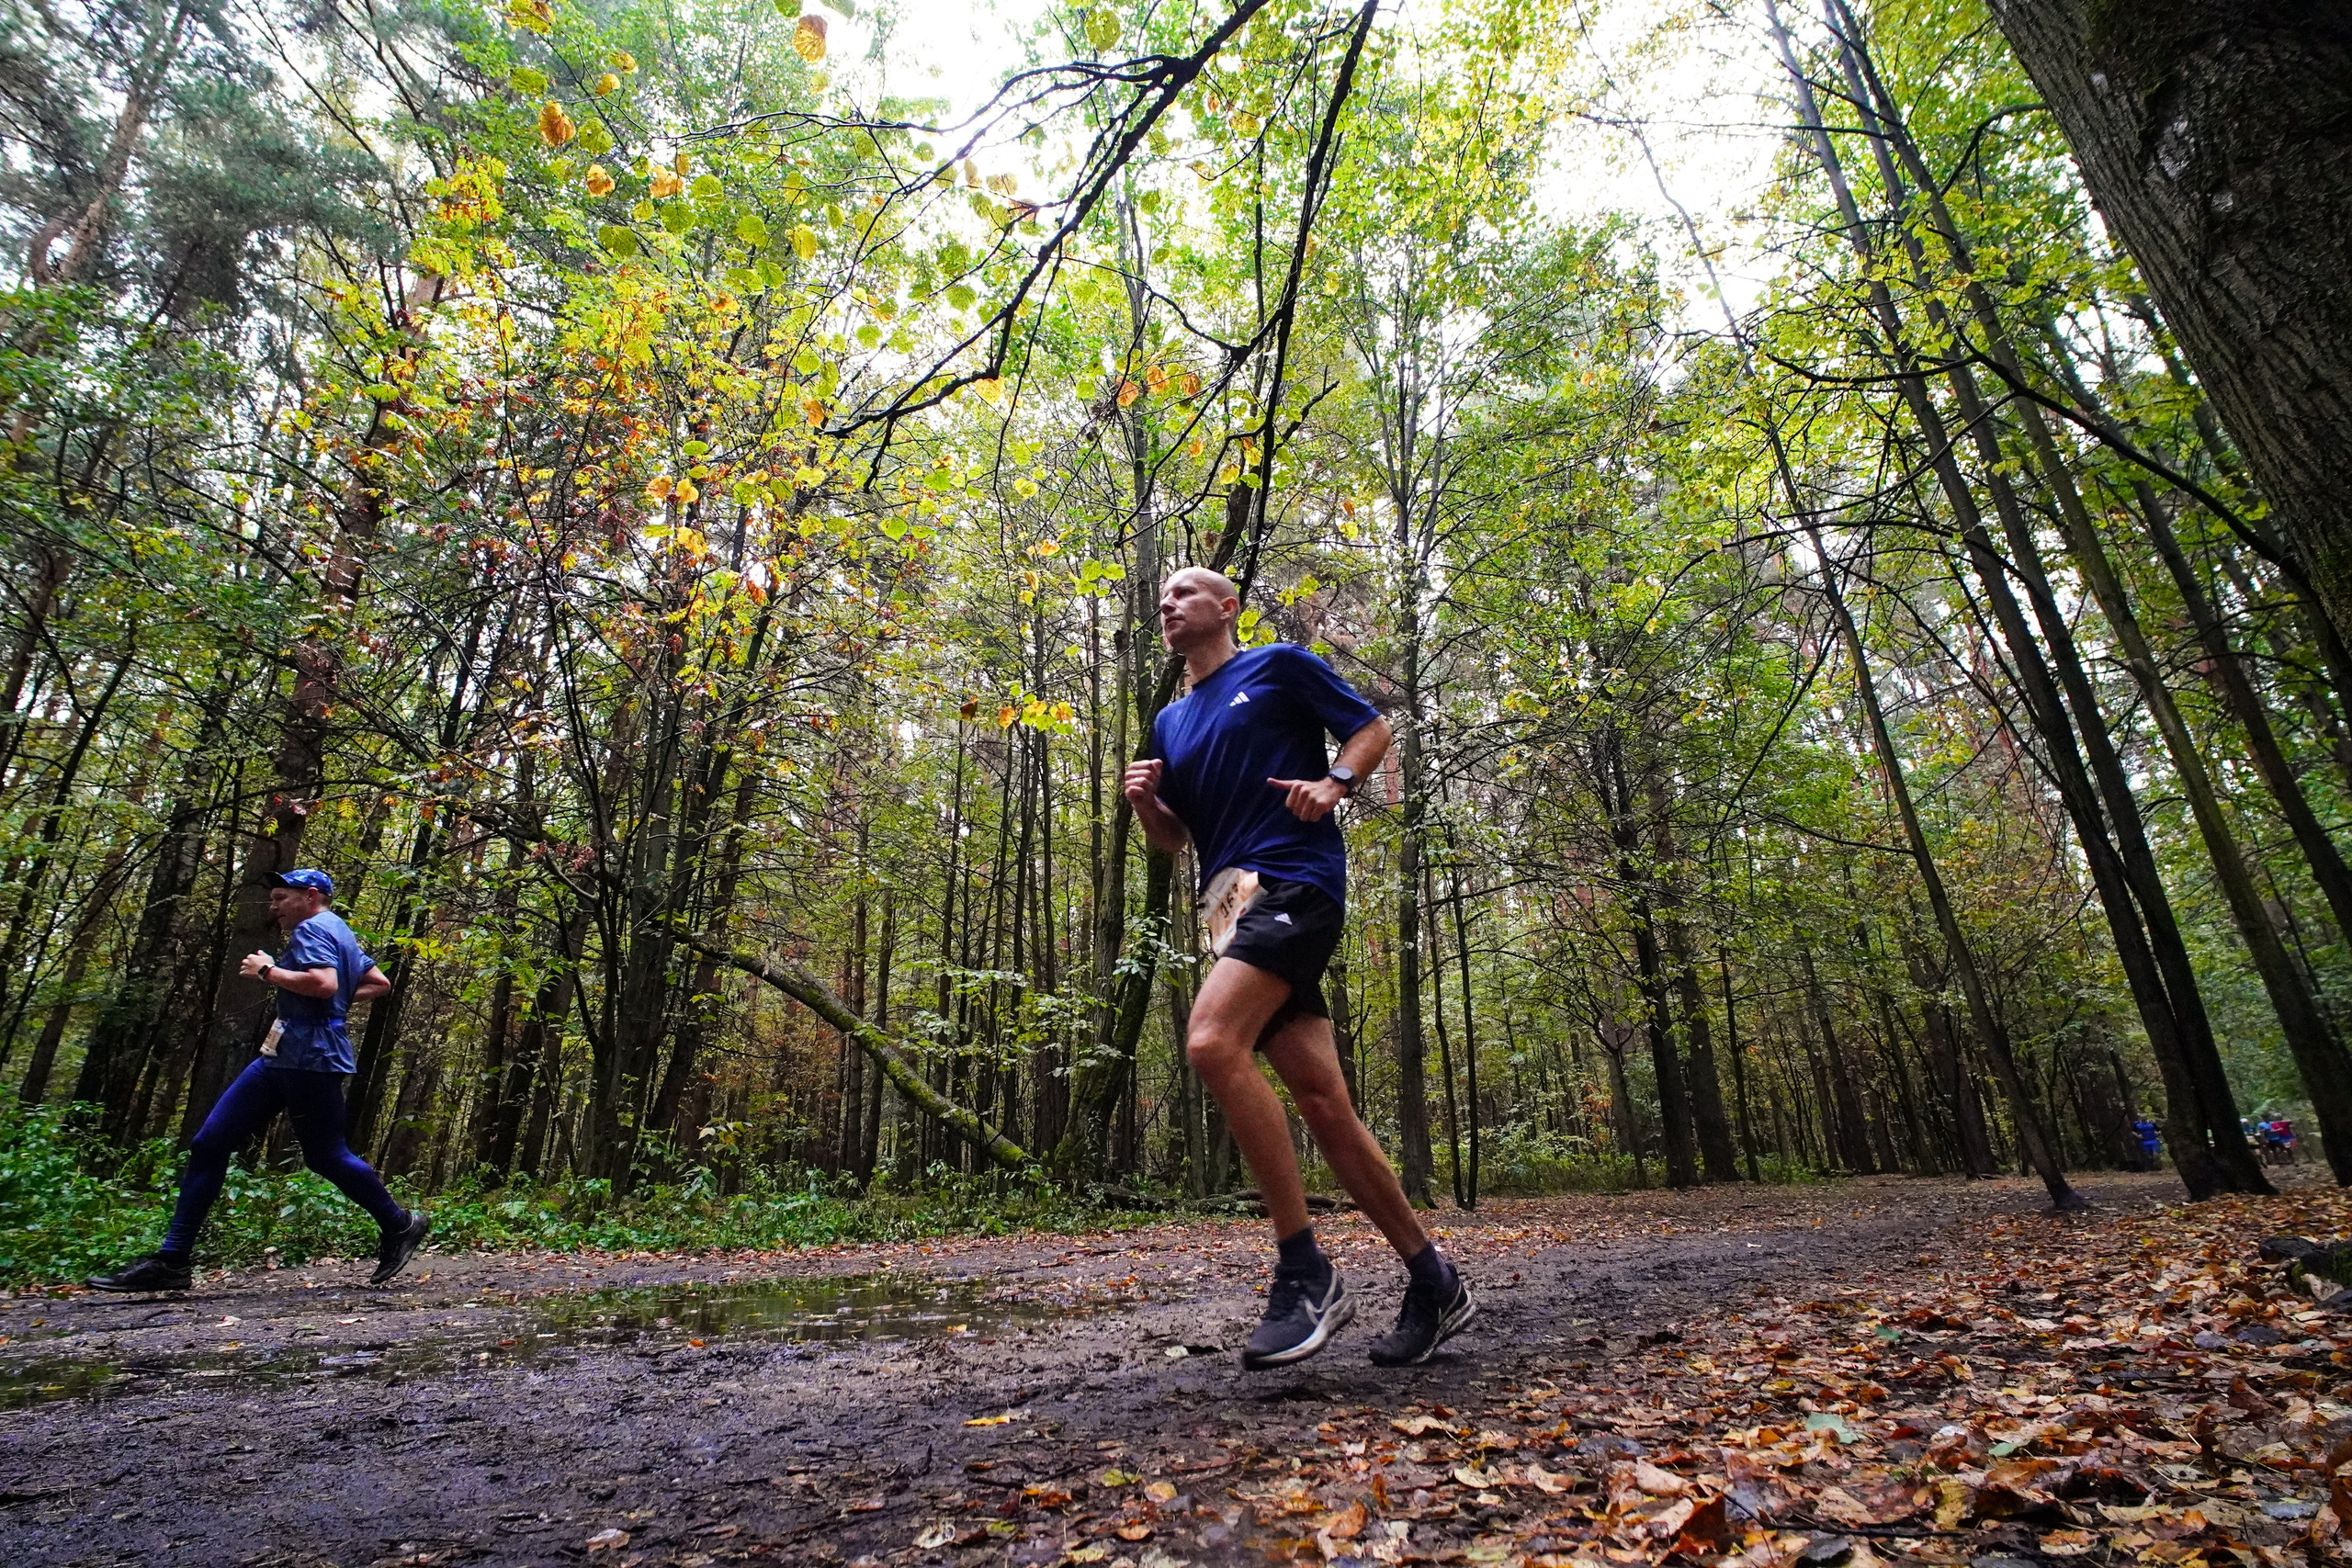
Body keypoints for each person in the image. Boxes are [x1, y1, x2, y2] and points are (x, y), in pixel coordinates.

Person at [1125, 567, 1474, 1370]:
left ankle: (1304, 1268)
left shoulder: (1276, 665)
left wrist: (1335, 782)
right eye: (1163, 599)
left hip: (1296, 883)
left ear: (1226, 607)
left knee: (1212, 1043)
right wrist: (1148, 803)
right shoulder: (1170, 720)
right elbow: (1174, 841)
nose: (1169, 605)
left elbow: (1371, 727)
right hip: (1231, 907)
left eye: (1185, 593)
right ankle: (1435, 1278)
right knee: (1324, 1103)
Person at [86, 870, 429, 1293]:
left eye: (280, 898)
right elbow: (378, 983)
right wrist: (328, 1000)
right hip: (286, 1054)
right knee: (210, 1144)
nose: (273, 907)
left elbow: (324, 985)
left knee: (326, 1156)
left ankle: (399, 1223)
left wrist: (269, 972)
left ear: (310, 896)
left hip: (309, 1057)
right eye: (272, 899)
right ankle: (172, 1259)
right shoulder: (340, 930)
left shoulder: (312, 929)